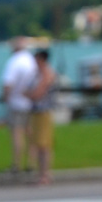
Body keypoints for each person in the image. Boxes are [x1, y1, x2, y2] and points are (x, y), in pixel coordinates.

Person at [0, 38, 38, 175]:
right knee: (31, 134)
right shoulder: (31, 60)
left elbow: (8, 83)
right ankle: (31, 163)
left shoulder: (14, 62)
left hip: (16, 102)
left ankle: (16, 164)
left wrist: (5, 98)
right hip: (31, 102)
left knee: (17, 134)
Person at [27, 48, 58, 185]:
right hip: (37, 111)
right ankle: (42, 172)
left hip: (44, 112)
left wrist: (29, 95)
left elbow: (38, 92)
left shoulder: (47, 73)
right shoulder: (38, 74)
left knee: (44, 145)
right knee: (38, 144)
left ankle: (45, 174)